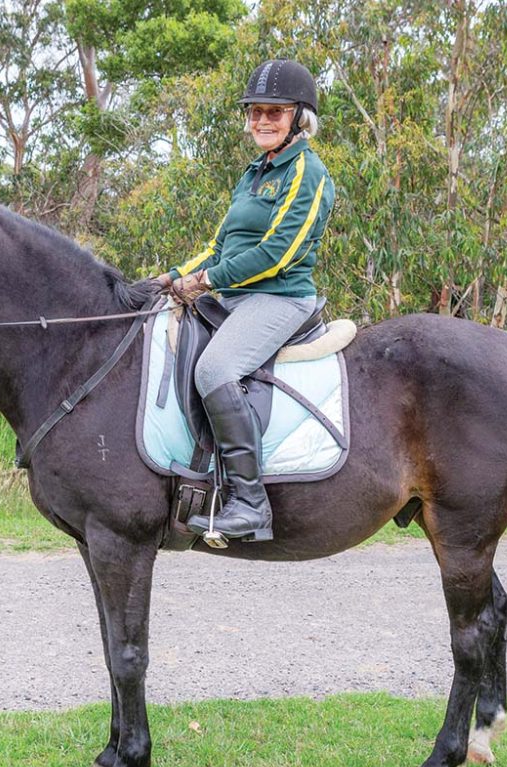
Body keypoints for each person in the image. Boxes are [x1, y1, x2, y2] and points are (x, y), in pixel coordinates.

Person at [156, 59, 336, 543]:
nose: (261, 120)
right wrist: (172, 276)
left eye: (274, 112)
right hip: (235, 298)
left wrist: (206, 280)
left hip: (278, 298)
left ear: (299, 118)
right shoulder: (254, 172)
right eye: (256, 111)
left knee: (214, 370)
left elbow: (278, 254)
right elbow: (221, 245)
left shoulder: (307, 171)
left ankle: (250, 503)